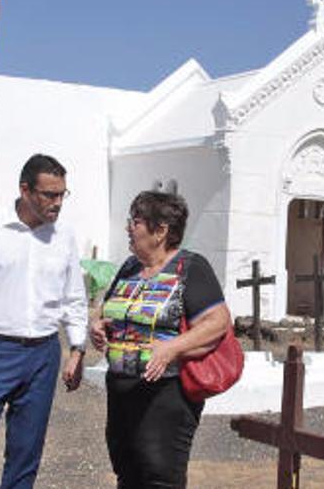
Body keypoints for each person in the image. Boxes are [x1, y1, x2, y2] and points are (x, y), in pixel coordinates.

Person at [0, 154, 88, 489]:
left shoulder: (63, 236)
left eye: (63, 194)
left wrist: (77, 349)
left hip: (42, 357)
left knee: (26, 454)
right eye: (49, 195)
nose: (57, 203)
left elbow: (74, 298)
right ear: (25, 190)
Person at [89, 191, 232, 488]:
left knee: (159, 476)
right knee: (127, 473)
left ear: (161, 230)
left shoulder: (190, 268)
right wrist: (98, 324)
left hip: (166, 394)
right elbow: (109, 308)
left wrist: (171, 348)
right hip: (121, 389)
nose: (129, 227)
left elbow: (218, 322)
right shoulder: (130, 267)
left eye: (136, 221)